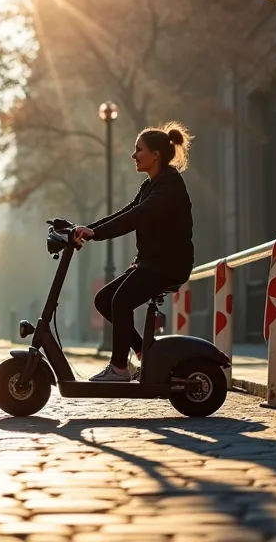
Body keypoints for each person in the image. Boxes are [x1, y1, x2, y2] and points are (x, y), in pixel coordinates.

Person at [72, 121, 195, 382]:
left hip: (167, 265)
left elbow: (137, 216)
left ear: (155, 155)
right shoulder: (151, 184)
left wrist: (96, 233)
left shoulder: (169, 186)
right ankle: (143, 352)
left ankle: (119, 368)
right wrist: (88, 229)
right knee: (104, 300)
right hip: (151, 262)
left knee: (121, 301)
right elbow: (127, 212)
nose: (133, 155)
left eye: (138, 149)